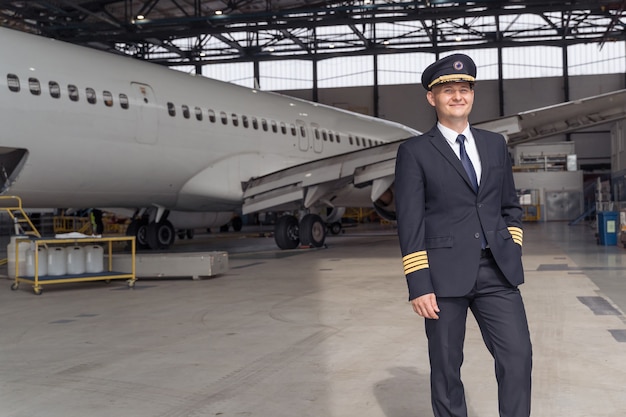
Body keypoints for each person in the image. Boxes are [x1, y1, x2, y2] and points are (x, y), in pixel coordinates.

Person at [394, 54, 532, 417]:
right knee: (446, 367)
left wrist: (510, 249)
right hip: (441, 278)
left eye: (464, 89)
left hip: (497, 273)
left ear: (472, 95)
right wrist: (419, 283)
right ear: (432, 98)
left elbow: (510, 207)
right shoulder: (414, 152)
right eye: (448, 90)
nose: (457, 96)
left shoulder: (494, 145)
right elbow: (410, 223)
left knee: (518, 358)